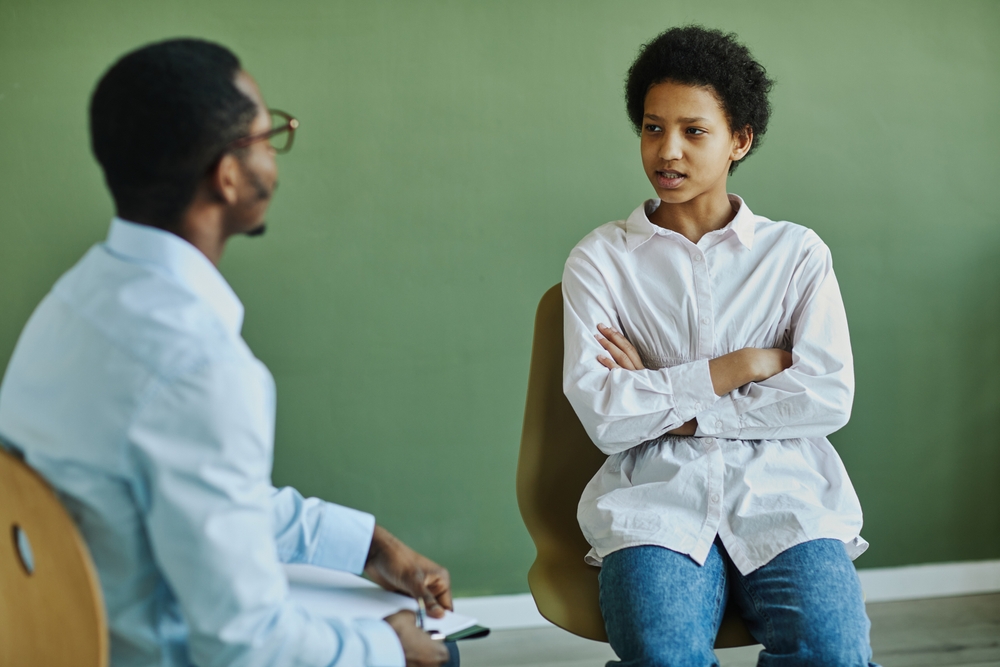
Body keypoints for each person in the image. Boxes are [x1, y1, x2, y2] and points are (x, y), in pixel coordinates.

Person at [0, 38, 456, 667]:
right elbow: (247, 647)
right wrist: (390, 646)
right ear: (227, 173)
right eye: (268, 134)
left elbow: (201, 498)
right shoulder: (201, 368)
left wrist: (365, 545)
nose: (275, 152)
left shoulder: (72, 302)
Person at [562, 26, 878, 666]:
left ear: (740, 140)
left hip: (787, 500)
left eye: (693, 131)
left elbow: (825, 396)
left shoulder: (796, 255)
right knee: (661, 656)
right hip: (654, 503)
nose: (667, 151)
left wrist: (667, 396)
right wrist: (743, 367)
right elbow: (605, 412)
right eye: (653, 128)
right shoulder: (600, 260)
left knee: (836, 654)